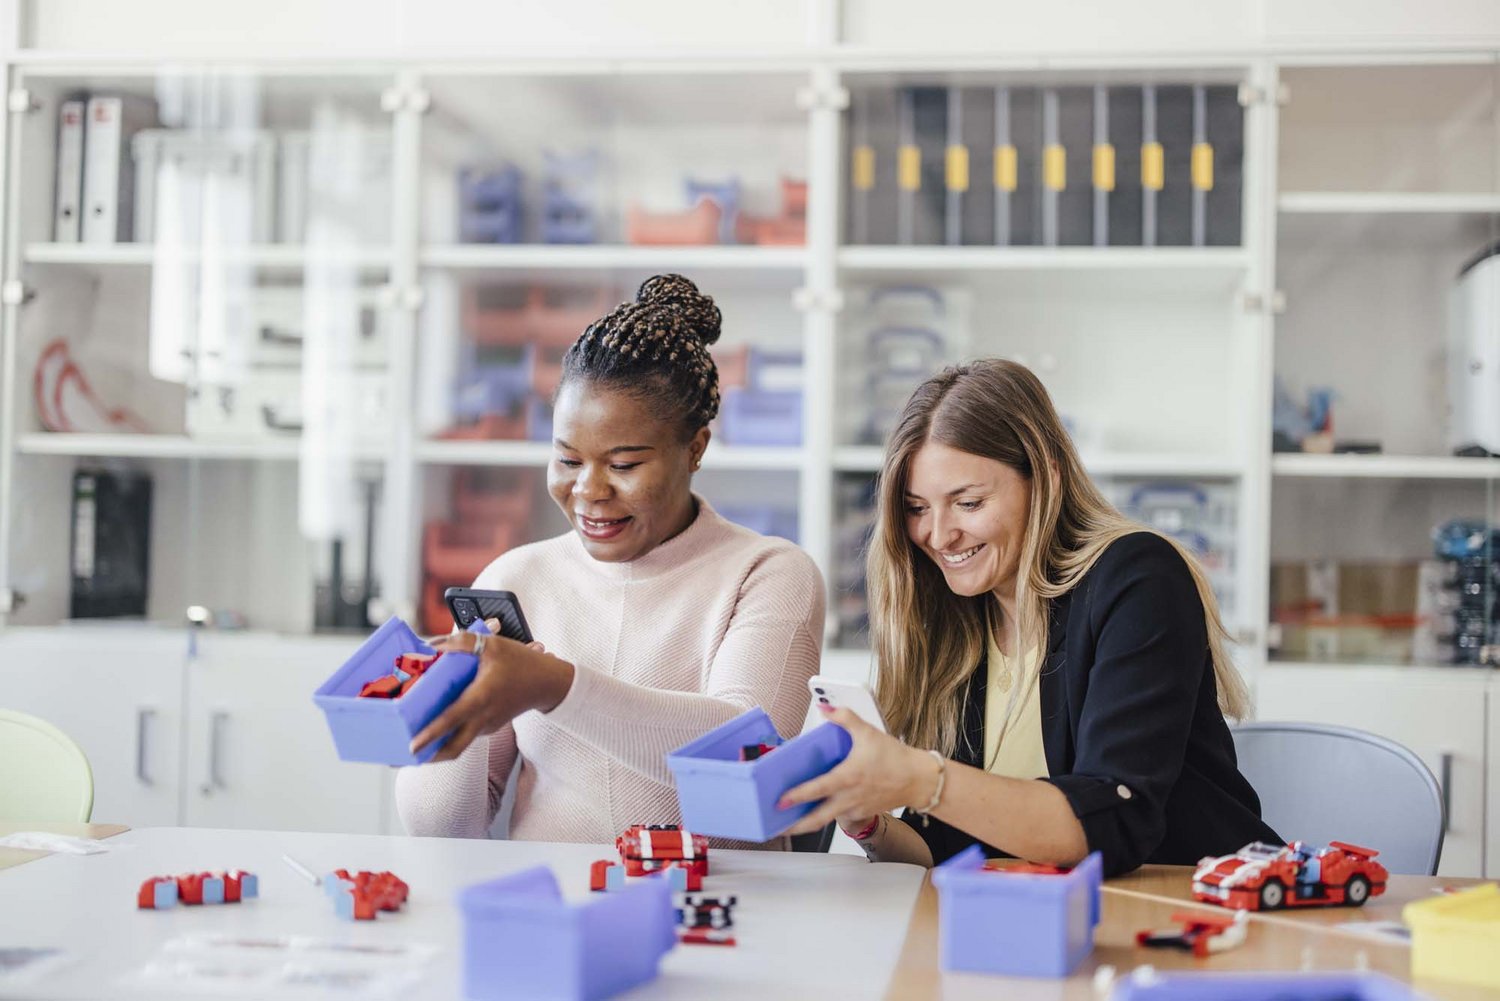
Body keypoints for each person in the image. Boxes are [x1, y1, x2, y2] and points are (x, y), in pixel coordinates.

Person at [780, 359, 1279, 875]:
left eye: (968, 502)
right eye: (917, 508)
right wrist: (868, 822)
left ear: (1046, 480)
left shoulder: (1139, 579)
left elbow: (1114, 825)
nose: (939, 534)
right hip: (1055, 924)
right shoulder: (961, 620)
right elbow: (953, 850)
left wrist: (919, 778)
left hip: (1199, 911)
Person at [396, 274, 825, 845]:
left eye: (623, 465)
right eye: (568, 460)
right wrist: (458, 707)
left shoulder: (768, 573)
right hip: (548, 903)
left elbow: (742, 756)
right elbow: (444, 829)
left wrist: (553, 687)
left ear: (695, 448)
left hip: (720, 913)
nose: (589, 491)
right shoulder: (516, 580)